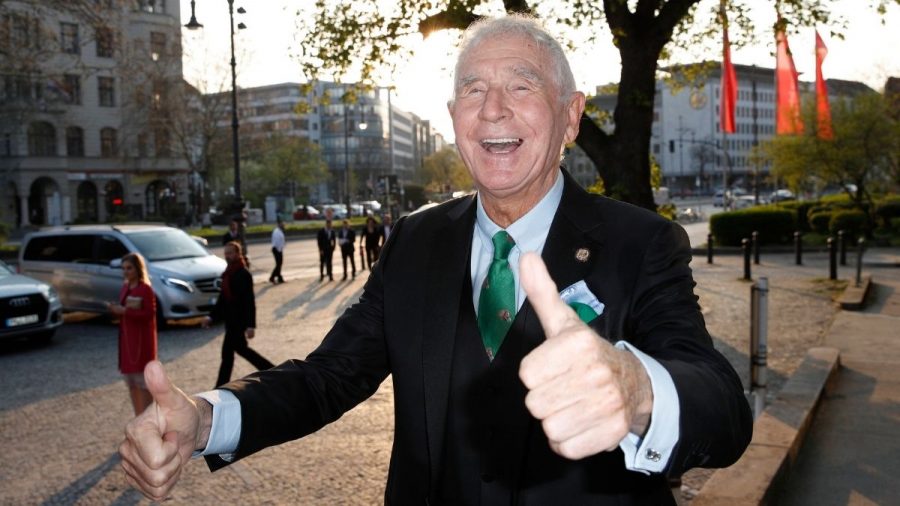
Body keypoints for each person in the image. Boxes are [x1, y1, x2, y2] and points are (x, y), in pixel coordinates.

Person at [120, 15, 751, 504]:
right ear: (454, 121)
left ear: (571, 117)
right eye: (473, 91)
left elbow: (722, 409)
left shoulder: (643, 242)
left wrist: (638, 389)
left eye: (521, 87)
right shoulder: (414, 241)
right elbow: (327, 378)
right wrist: (206, 419)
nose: (493, 108)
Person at [206, 241, 274, 388]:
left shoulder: (243, 274)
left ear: (238, 254)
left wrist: (250, 325)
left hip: (239, 321)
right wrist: (211, 317)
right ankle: (271, 370)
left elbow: (249, 301)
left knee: (230, 354)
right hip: (230, 321)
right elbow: (222, 300)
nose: (227, 256)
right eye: (225, 253)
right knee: (234, 353)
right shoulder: (228, 273)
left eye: (230, 253)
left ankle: (271, 370)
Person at [107, 252, 156, 416]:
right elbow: (124, 311)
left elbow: (149, 314)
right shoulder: (125, 287)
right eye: (124, 268)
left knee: (143, 384)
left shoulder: (145, 289)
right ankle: (138, 416)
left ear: (137, 269)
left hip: (141, 341)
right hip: (127, 340)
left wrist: (125, 312)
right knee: (132, 384)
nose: (126, 271)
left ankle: (148, 417)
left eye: (129, 268)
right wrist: (116, 310)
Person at [316, 209, 336, 282]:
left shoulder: (332, 231)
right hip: (323, 249)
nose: (329, 226)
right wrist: (320, 249)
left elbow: (334, 240)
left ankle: (330, 276)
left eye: (330, 224)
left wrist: (333, 247)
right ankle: (321, 276)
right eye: (328, 224)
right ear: (326, 224)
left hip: (330, 249)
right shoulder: (321, 231)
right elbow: (319, 241)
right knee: (322, 263)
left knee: (330, 263)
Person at [269, 218, 286, 284]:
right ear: (279, 224)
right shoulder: (277, 232)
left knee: (279, 264)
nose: (284, 226)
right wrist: (279, 250)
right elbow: (276, 242)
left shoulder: (279, 231)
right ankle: (272, 277)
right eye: (283, 224)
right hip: (277, 249)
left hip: (279, 249)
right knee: (278, 264)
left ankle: (279, 277)